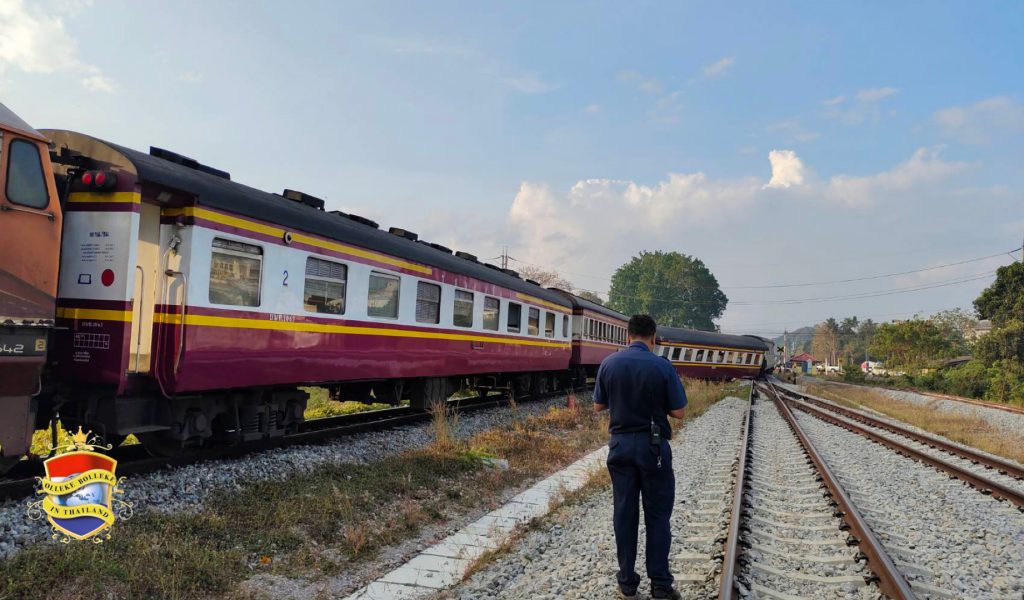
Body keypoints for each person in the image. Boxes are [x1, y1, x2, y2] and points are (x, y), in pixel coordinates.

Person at [594, 314, 687, 599]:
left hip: (620, 447)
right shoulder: (662, 366)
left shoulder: (609, 363)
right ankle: (660, 585)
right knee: (657, 516)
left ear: (627, 336)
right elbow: (679, 412)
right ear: (653, 337)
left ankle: (627, 583)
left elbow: (598, 406)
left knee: (624, 514)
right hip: (653, 448)